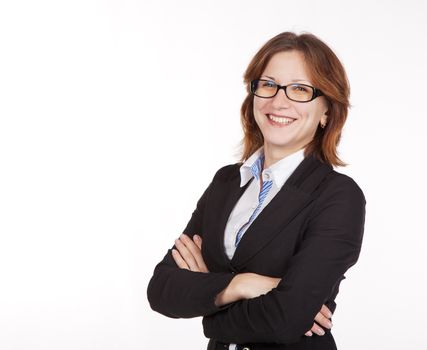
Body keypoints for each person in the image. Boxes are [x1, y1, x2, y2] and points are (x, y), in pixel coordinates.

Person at [147, 31, 366, 350]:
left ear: (328, 111)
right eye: (268, 84)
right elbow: (162, 290)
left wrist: (208, 307)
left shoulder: (337, 196)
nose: (279, 101)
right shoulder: (225, 183)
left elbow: (286, 318)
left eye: (300, 89)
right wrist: (243, 285)